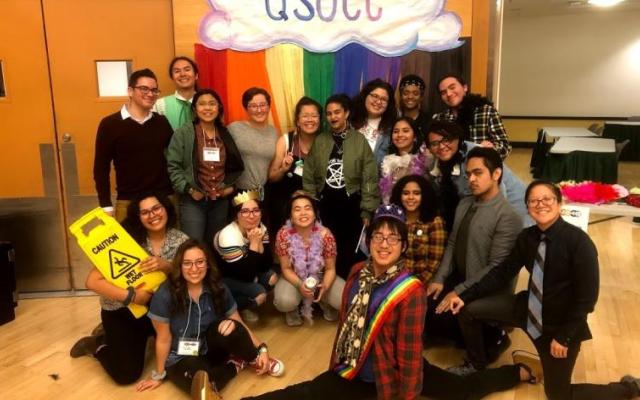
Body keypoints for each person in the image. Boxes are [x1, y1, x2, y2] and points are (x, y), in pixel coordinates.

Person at [244, 204, 544, 400]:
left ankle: (516, 372)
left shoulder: (409, 290)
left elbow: (410, 351)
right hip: (355, 369)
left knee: (460, 389)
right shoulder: (358, 272)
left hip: (391, 377)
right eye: (378, 236)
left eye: (393, 239)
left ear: (403, 247)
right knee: (304, 393)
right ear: (369, 241)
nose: (384, 244)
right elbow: (346, 327)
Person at [440, 180, 640, 400]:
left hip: (559, 326)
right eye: (533, 200)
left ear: (559, 203)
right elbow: (502, 273)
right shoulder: (527, 238)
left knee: (558, 395)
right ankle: (477, 365)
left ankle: (629, 388)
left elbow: (586, 299)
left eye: (547, 199)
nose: (540, 204)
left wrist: (564, 337)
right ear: (527, 207)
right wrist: (463, 295)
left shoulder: (579, 242)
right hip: (527, 310)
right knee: (468, 309)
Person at [135, 239, 284, 398]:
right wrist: (158, 375)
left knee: (231, 326)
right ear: (179, 266)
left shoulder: (217, 286)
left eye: (200, 262)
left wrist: (261, 348)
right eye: (187, 263)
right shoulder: (164, 295)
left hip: (210, 345)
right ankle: (235, 365)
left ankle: (254, 358)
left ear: (207, 264)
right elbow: (163, 339)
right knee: (201, 385)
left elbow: (238, 321)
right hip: (181, 356)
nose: (194, 269)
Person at [70, 192, 188, 384]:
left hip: (160, 311)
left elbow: (191, 276)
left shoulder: (181, 239)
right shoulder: (124, 240)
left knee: (182, 353)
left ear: (166, 209)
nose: (153, 215)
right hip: (121, 310)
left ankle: (148, 337)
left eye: (156, 208)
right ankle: (97, 344)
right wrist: (132, 297)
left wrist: (166, 266)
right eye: (145, 212)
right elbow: (91, 282)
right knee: (126, 375)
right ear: (137, 217)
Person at [428, 147, 522, 373]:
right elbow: (452, 243)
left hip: (486, 288)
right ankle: (465, 335)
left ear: (496, 174)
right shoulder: (465, 203)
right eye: (468, 173)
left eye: (478, 173)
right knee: (430, 308)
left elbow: (495, 269)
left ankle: (490, 343)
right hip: (461, 277)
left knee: (462, 312)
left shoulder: (507, 217)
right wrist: (439, 278)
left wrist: (458, 291)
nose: (471, 179)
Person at [303, 94, 380, 279]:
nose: (333, 117)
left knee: (348, 251)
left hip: (351, 206)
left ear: (346, 113)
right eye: (329, 113)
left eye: (337, 112)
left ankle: (344, 292)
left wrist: (367, 210)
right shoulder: (321, 140)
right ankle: (324, 291)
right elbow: (309, 174)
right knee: (325, 248)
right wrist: (311, 204)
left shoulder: (359, 141)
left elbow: (369, 177)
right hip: (326, 206)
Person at [93, 68, 174, 221]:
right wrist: (105, 205)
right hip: (128, 200)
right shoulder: (109, 124)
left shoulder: (161, 122)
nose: (150, 94)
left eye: (154, 90)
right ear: (130, 91)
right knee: (129, 245)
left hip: (162, 199)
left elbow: (175, 158)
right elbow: (101, 168)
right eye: (144, 89)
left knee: (169, 244)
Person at [167, 89, 244, 245]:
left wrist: (230, 187)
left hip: (220, 202)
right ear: (195, 109)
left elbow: (235, 166)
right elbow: (173, 166)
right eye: (202, 104)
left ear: (219, 108)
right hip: (193, 201)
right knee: (194, 245)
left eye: (212, 104)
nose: (207, 108)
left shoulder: (224, 133)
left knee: (216, 245)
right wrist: (189, 189)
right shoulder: (184, 133)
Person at [427, 120, 528, 231]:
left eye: (446, 140)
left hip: (514, 210)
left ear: (457, 138)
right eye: (435, 143)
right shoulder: (437, 164)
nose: (441, 146)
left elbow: (497, 195)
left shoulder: (476, 155)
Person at [273, 192, 344, 326]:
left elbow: (330, 269)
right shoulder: (283, 235)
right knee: (284, 301)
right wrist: (300, 285)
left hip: (320, 276)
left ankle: (322, 300)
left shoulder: (326, 235)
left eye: (307, 208)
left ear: (315, 213)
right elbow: (286, 268)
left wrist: (325, 286)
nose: (303, 213)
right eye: (297, 209)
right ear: (291, 216)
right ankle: (292, 309)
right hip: (294, 277)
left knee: (344, 300)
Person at [213, 190, 278, 322]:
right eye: (245, 211)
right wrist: (254, 243)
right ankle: (236, 308)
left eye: (255, 210)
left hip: (247, 269)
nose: (252, 216)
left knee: (272, 277)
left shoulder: (260, 228)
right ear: (237, 216)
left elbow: (266, 264)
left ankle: (249, 296)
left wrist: (258, 242)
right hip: (225, 278)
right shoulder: (228, 236)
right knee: (259, 293)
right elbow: (245, 275)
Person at [265, 97, 322, 239]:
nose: (310, 120)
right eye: (305, 116)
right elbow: (271, 177)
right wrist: (284, 169)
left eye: (314, 116)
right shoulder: (286, 140)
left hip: (313, 204)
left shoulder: (325, 142)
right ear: (297, 120)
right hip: (284, 205)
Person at [433, 73, 512, 160]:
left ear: (465, 87)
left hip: (482, 169)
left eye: (452, 88)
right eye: (443, 92)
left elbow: (505, 146)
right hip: (451, 171)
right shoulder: (439, 119)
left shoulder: (487, 112)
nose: (448, 94)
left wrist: (490, 149)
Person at [389, 174, 446, 285]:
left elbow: (433, 266)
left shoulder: (434, 223)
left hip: (419, 285)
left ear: (424, 196)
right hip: (391, 282)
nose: (410, 197)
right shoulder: (393, 220)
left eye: (416, 193)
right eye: (406, 193)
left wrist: (409, 287)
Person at [228, 87, 279, 198]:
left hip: (263, 192)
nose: (259, 110)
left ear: (269, 106)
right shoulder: (234, 129)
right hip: (239, 192)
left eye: (262, 105)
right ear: (246, 108)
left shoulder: (274, 132)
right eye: (253, 106)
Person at [378, 117, 430, 204]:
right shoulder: (386, 161)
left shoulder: (425, 159)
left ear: (415, 137)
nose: (400, 135)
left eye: (405, 131)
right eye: (396, 131)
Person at [350, 79, 397, 165]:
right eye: (375, 96)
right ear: (365, 96)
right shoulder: (349, 122)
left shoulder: (392, 129)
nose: (378, 102)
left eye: (384, 99)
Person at [154, 56, 199, 130]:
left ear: (196, 75)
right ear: (172, 78)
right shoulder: (159, 105)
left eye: (187, 70)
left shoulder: (207, 103)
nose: (182, 74)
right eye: (177, 71)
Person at [398, 74, 430, 142]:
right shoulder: (395, 119)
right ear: (401, 96)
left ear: (421, 97)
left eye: (415, 93)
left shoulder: (429, 122)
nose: (410, 97)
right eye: (406, 93)